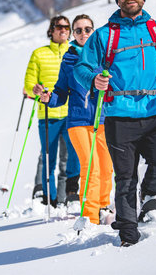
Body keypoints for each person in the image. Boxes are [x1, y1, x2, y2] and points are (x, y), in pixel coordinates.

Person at [73, 0, 156, 246]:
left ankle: (149, 196)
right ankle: (128, 236)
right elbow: (81, 67)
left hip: (153, 112)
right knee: (125, 179)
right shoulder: (104, 34)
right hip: (118, 117)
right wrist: (94, 79)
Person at [40, 14, 114, 224]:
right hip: (78, 121)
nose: (83, 33)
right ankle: (90, 216)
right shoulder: (70, 59)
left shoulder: (104, 55)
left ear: (94, 31)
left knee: (107, 167)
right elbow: (61, 93)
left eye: (87, 29)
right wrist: (49, 98)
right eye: (79, 30)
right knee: (91, 167)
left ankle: (103, 207)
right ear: (74, 34)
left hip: (103, 119)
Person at [24, 15, 81, 208]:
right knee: (48, 156)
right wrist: (35, 90)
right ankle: (49, 197)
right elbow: (29, 83)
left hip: (71, 113)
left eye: (66, 27)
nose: (63, 30)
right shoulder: (39, 54)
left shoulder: (75, 52)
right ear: (52, 30)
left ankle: (68, 196)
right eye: (59, 26)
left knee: (71, 156)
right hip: (48, 114)